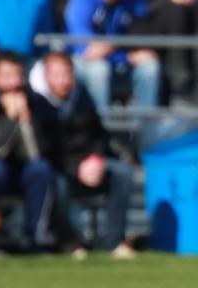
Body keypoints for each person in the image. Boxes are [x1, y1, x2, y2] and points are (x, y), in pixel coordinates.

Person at [32, 51, 136, 258]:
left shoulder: (82, 97)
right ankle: (68, 241)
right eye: (57, 75)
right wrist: (76, 168)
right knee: (55, 183)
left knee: (122, 173)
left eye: (67, 74)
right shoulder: (37, 104)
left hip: (88, 164)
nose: (63, 80)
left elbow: (98, 135)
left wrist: (95, 159)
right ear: (46, 77)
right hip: (60, 168)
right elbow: (45, 150)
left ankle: (114, 241)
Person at [0, 51, 56, 250]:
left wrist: (25, 120)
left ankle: (33, 237)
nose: (14, 82)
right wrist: (8, 119)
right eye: (7, 75)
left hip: (20, 169)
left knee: (40, 169)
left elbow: (36, 153)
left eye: (17, 75)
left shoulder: (34, 101)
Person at [65, 0, 161, 110]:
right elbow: (88, 52)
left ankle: (146, 129)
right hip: (82, 63)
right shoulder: (83, 0)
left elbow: (142, 34)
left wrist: (118, 50)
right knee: (99, 70)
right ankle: (102, 128)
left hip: (120, 59)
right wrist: (126, 54)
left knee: (150, 66)